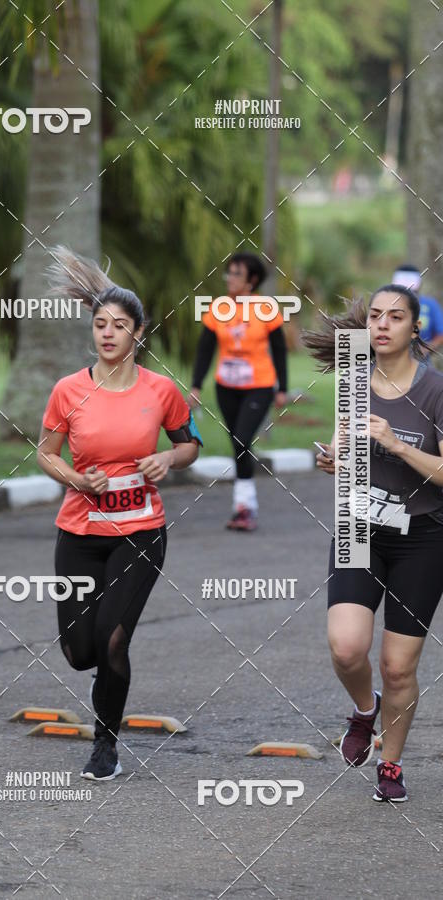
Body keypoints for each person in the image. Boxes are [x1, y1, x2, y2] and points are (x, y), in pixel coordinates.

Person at [38, 246, 202, 781]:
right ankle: (101, 681)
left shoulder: (161, 391)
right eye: (100, 324)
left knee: (113, 638)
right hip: (79, 532)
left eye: (119, 326)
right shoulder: (69, 390)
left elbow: (190, 445)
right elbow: (46, 453)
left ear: (139, 334)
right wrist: (77, 480)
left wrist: (168, 457)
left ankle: (105, 745)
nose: (107, 333)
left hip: (140, 532)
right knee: (78, 651)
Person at [302, 285, 443, 802]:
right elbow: (345, 444)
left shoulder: (435, 392)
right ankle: (366, 709)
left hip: (424, 538)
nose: (382, 324)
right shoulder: (354, 381)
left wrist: (394, 443)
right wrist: (334, 458)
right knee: (346, 648)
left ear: (414, 329)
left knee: (399, 664)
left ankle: (391, 764)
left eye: (396, 317)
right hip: (359, 527)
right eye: (376, 316)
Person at [188, 252, 288, 531]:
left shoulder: (265, 309)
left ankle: (246, 504)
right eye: (228, 273)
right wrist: (196, 385)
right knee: (237, 442)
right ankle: (243, 507)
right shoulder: (218, 309)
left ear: (251, 281)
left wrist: (283, 388)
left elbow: (279, 350)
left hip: (259, 386)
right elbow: (205, 350)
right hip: (226, 387)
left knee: (243, 439)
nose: (229, 279)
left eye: (236, 274)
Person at [392, 264, 443, 358]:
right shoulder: (387, 303)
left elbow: (441, 333)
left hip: (421, 362)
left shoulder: (430, 305)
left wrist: (425, 349)